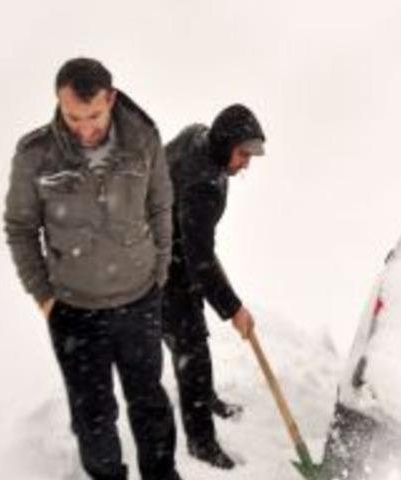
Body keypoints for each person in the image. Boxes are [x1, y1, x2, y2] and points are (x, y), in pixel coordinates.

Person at [3, 57, 181, 480]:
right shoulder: (36, 155)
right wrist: (44, 297)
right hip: (73, 309)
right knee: (93, 413)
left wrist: (157, 272)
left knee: (150, 402)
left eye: (95, 115)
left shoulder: (143, 138)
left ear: (111, 99)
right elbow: (20, 228)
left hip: (139, 300)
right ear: (59, 105)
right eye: (72, 116)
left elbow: (160, 204)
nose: (84, 128)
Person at [161, 104, 264, 469]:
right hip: (155, 263)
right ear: (223, 144)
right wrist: (233, 309)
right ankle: (201, 444)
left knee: (189, 331)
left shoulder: (198, 134)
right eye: (243, 154)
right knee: (191, 348)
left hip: (170, 245)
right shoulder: (202, 186)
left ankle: (203, 395)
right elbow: (199, 258)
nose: (246, 163)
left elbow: (197, 244)